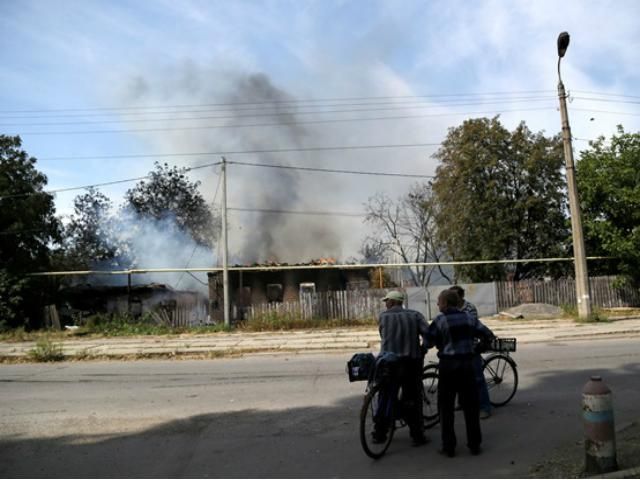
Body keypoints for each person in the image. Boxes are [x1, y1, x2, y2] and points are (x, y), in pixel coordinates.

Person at [427, 289, 495, 457]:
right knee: (471, 407)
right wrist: (476, 350)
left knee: (446, 408)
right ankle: (474, 445)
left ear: (446, 303)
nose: (437, 304)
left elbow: (428, 341)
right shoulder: (469, 318)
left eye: (439, 301)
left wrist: (439, 343)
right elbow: (489, 336)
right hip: (467, 365)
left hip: (448, 367)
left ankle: (449, 447)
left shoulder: (440, 320)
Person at [373, 290, 430, 446]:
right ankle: (417, 435)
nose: (386, 304)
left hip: (388, 363)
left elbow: (382, 335)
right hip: (411, 362)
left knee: (385, 395)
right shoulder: (415, 315)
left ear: (392, 302)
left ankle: (379, 433)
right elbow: (428, 335)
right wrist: (423, 348)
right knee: (412, 397)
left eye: (387, 301)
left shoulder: (383, 317)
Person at [449, 285, 492, 419]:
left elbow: (473, 327)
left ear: (461, 297)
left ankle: (485, 407)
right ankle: (462, 402)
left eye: (454, 296)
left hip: (471, 347)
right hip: (456, 348)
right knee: (459, 378)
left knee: (478, 379)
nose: (452, 299)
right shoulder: (452, 309)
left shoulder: (470, 308)